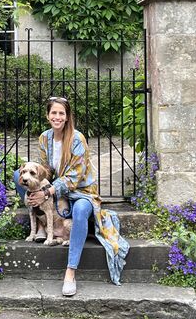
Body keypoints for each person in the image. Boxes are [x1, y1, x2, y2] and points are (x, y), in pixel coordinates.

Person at [14, 96, 129, 296]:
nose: (57, 117)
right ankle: (42, 225)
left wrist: (47, 192)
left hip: (80, 191)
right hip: (56, 190)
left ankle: (70, 272)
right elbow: (45, 171)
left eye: (61, 113)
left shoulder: (77, 139)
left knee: (81, 211)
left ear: (67, 117)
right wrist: (38, 181)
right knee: (19, 175)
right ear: (48, 115)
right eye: (53, 113)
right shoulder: (44, 138)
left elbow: (74, 177)